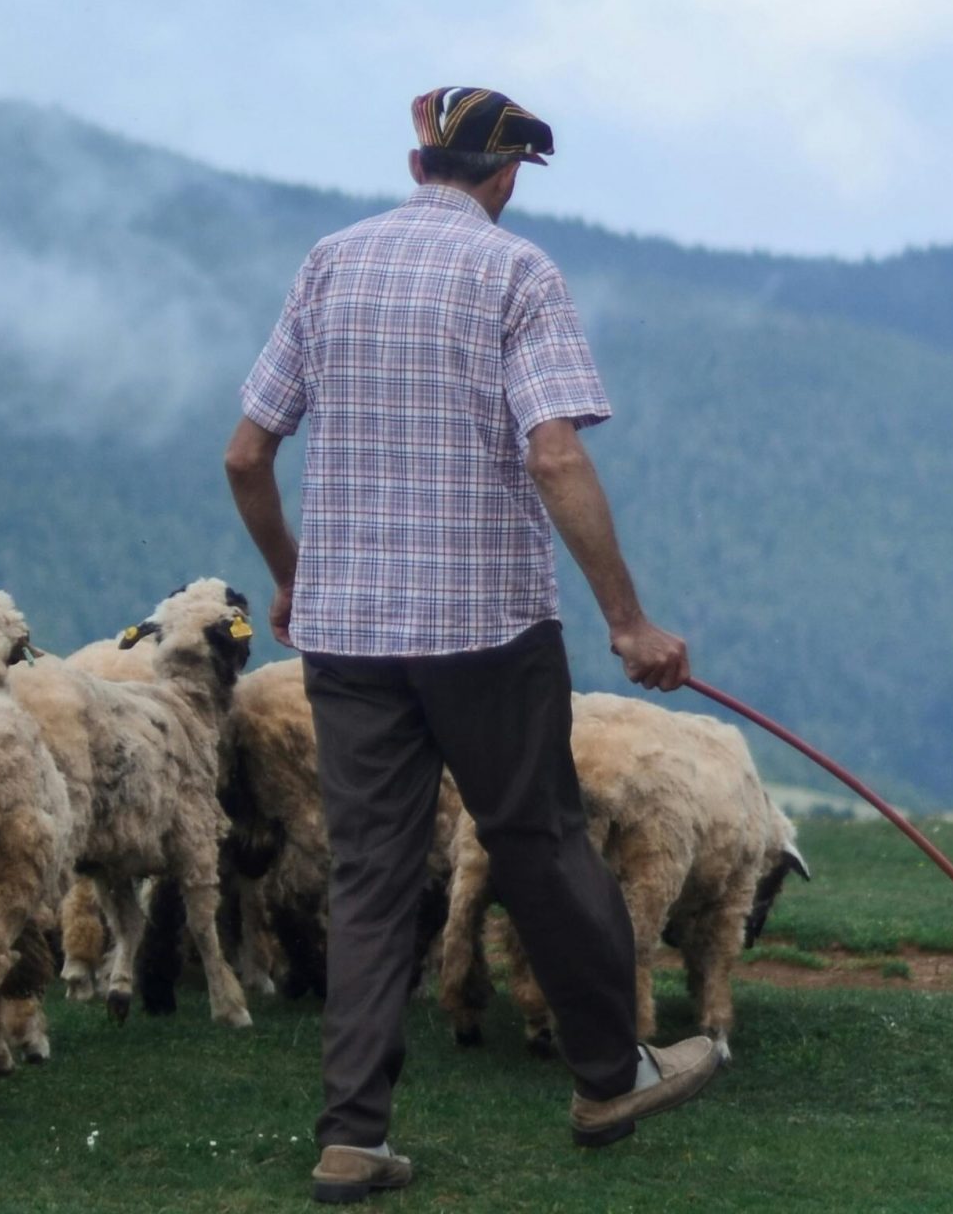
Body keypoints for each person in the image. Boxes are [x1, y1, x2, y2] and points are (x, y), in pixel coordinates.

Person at [223, 86, 724, 1205]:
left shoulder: (329, 263)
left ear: (418, 161)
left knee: (370, 871)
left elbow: (246, 456)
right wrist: (628, 620)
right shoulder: (518, 274)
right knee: (539, 838)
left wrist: (295, 576)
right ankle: (608, 1078)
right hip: (485, 628)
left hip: (346, 642)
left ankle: (350, 1135)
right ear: (502, 177)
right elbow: (553, 455)